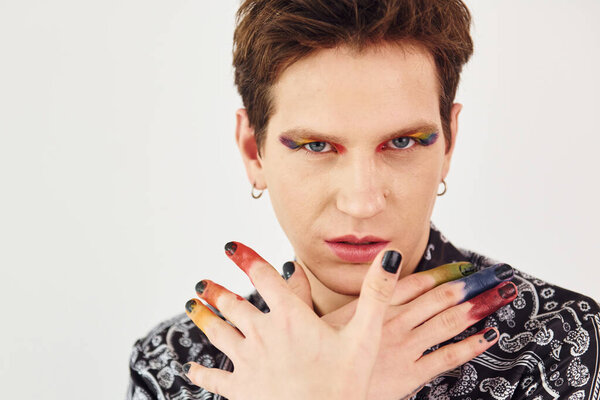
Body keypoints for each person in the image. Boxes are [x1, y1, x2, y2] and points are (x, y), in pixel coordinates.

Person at [126, 1, 600, 399]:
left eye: (402, 142)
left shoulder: (566, 345)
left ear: (449, 142)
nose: (361, 203)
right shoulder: (174, 363)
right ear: (254, 150)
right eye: (316, 146)